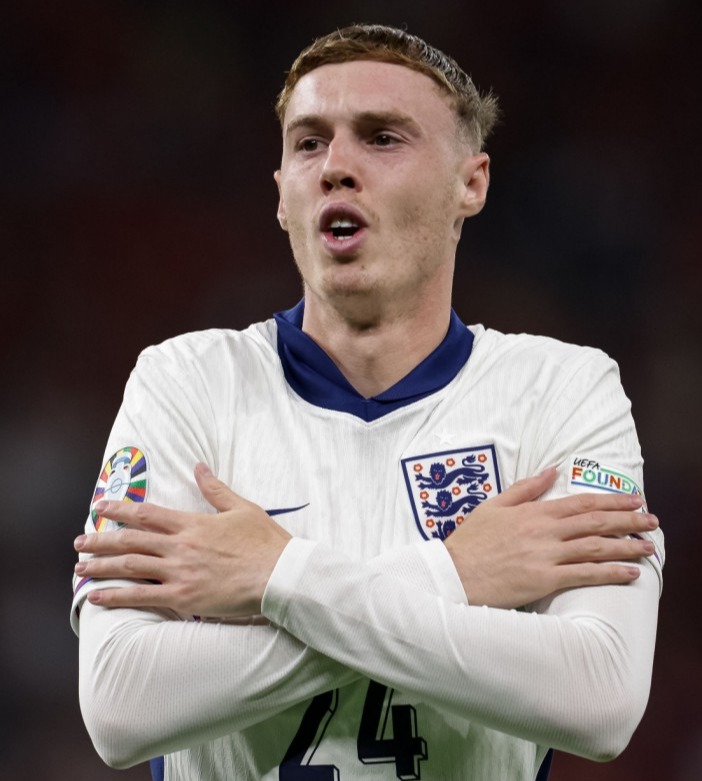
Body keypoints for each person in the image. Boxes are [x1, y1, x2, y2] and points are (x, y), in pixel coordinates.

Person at [71, 24, 664, 781]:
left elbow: (599, 698)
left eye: (382, 138)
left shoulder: (565, 390)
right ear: (281, 193)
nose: (336, 167)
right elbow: (122, 706)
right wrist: (454, 575)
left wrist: (275, 576)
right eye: (309, 143)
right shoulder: (184, 382)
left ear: (470, 183)